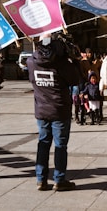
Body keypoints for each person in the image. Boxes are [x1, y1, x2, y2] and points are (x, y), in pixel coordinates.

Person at [27, 33, 80, 191]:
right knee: (60, 145)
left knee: (43, 143)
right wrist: (75, 59)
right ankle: (59, 179)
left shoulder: (31, 61)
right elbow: (75, 79)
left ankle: (41, 179)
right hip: (59, 110)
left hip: (42, 109)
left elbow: (32, 80)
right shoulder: (62, 64)